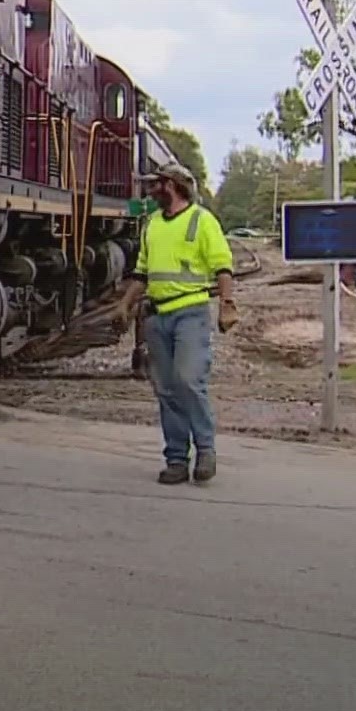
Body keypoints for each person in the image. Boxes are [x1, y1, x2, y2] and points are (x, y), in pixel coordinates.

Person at [111, 161, 237, 484]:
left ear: (172, 186)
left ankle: (205, 449)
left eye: (157, 185)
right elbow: (142, 272)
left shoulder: (202, 221)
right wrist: (125, 305)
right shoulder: (152, 224)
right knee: (166, 389)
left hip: (191, 314)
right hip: (157, 316)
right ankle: (177, 459)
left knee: (188, 380)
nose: (151, 191)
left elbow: (223, 266)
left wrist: (227, 305)